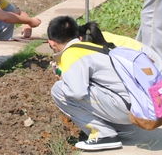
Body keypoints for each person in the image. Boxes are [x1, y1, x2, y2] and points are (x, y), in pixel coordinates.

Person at [48, 16, 131, 151]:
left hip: (124, 110)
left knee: (59, 90)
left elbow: (77, 92)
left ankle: (104, 134)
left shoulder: (71, 53)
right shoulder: (90, 46)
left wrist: (65, 80)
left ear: (51, 43)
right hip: (135, 105)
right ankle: (115, 126)